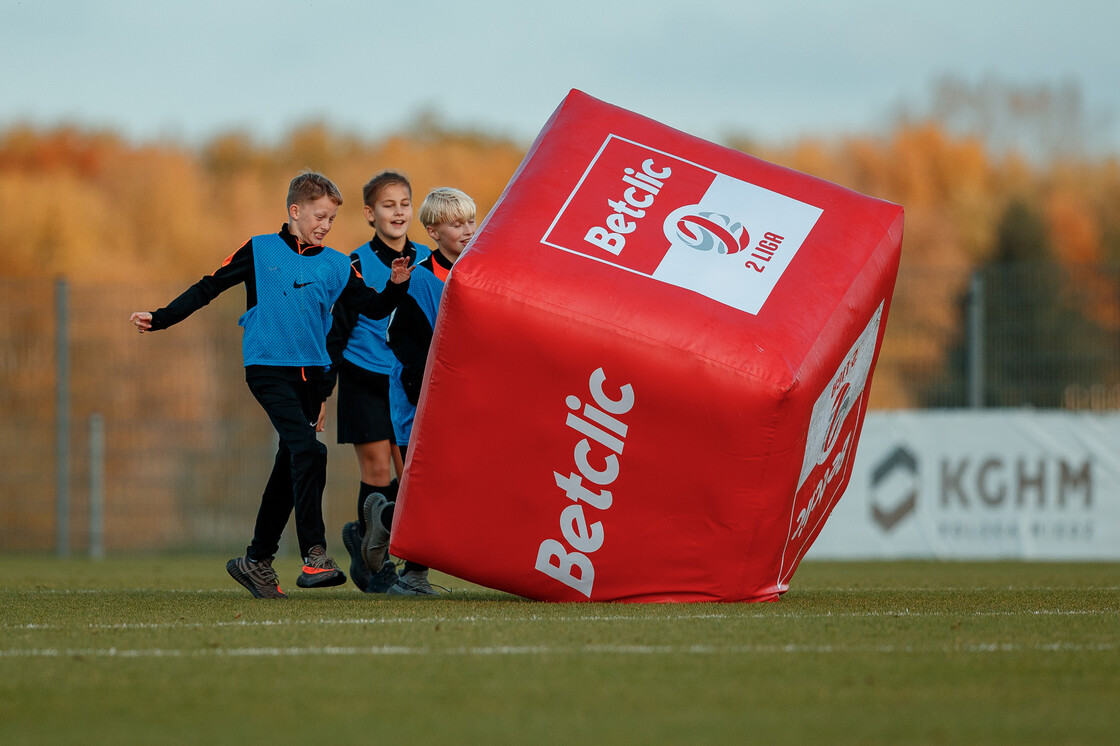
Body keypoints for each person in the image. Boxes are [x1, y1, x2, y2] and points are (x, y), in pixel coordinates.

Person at [129, 171, 413, 599]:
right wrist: (162, 316)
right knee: (309, 451)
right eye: (319, 216)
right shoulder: (260, 250)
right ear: (295, 211)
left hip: (311, 377)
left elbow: (372, 309)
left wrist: (395, 286)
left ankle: (256, 561)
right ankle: (315, 555)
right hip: (267, 369)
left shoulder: (337, 264)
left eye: (332, 220)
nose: (325, 225)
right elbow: (209, 287)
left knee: (290, 466)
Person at [362, 186, 476, 596]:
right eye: (456, 223)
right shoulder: (418, 278)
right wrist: (425, 394)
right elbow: (402, 340)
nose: (467, 230)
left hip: (460, 402)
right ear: (432, 230)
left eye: (470, 221)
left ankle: (385, 521)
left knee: (454, 489)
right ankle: (412, 575)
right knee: (429, 490)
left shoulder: (477, 273)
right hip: (419, 401)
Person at [327, 170, 431, 593]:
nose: (398, 212)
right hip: (364, 377)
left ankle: (411, 564)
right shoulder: (353, 264)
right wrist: (323, 387)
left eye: (404, 204)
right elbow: (338, 330)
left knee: (413, 475)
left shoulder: (428, 258)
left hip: (410, 382)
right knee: (376, 468)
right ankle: (375, 565)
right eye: (388, 205)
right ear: (370, 214)